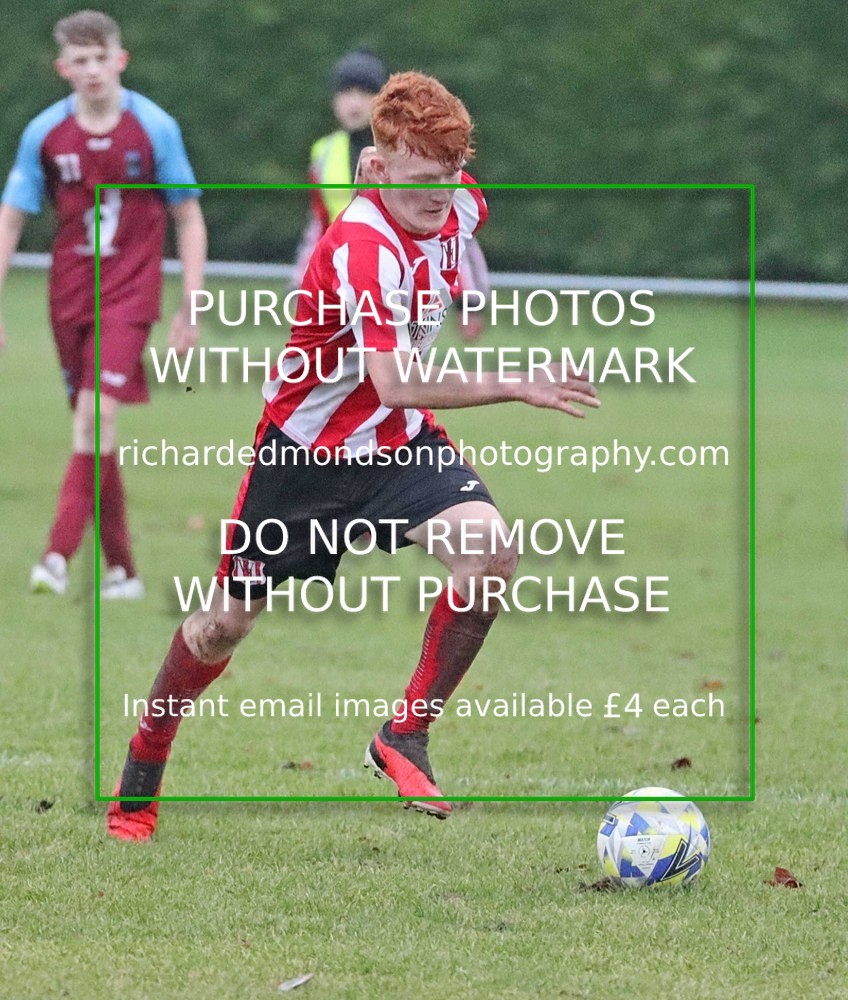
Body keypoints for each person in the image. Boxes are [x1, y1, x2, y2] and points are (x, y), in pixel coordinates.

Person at [107, 70, 599, 842]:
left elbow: (459, 247)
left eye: (450, 176)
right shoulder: (363, 248)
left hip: (397, 450)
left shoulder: (461, 204)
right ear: (375, 169)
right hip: (304, 458)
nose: (440, 195)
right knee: (221, 627)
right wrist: (515, 384)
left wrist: (469, 297)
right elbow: (396, 381)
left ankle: (403, 733)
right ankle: (144, 762)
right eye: (423, 180)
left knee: (490, 553)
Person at [0, 9, 206, 598]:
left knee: (96, 417)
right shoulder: (44, 134)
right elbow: (12, 219)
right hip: (68, 295)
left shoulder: (155, 128)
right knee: (92, 433)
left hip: (130, 295)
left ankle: (56, 555)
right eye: (80, 61)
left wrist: (190, 304)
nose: (92, 71)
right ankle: (124, 571)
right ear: (63, 68)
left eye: (102, 58)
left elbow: (188, 217)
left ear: (121, 60)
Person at [294, 49, 490, 340]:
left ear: (382, 99)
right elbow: (319, 226)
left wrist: (471, 300)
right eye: (345, 92)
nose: (354, 102)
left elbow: (454, 229)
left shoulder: (414, 150)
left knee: (396, 373)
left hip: (401, 278)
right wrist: (302, 283)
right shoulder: (322, 153)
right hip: (343, 280)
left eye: (364, 91)